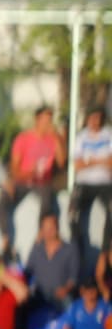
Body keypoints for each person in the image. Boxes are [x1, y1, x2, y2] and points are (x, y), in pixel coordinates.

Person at [0, 106, 66, 259]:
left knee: (48, 200)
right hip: (23, 181)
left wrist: (56, 139)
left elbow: (61, 163)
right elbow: (14, 167)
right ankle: (6, 238)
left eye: (50, 120)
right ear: (37, 120)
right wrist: (26, 174)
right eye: (45, 120)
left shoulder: (52, 139)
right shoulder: (23, 138)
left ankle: (41, 235)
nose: (48, 123)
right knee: (2, 201)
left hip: (42, 182)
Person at [69, 108, 112, 275]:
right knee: (73, 213)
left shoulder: (108, 135)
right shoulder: (81, 137)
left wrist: (90, 160)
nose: (95, 121)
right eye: (92, 118)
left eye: (98, 118)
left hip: (105, 182)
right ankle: (77, 251)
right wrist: (100, 160)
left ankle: (105, 250)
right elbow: (77, 165)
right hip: (84, 183)